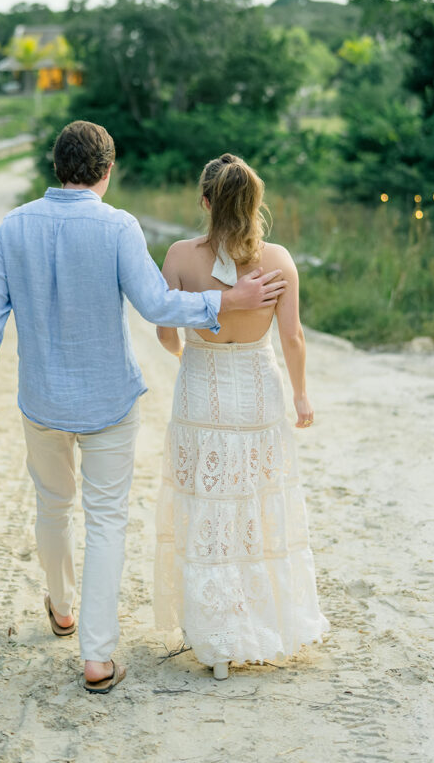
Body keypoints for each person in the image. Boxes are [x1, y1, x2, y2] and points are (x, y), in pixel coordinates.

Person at [0, 122, 287, 694]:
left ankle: (61, 608)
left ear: (56, 167)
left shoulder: (14, 226)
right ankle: (97, 656)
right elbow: (156, 304)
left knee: (52, 506)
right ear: (107, 171)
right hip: (109, 401)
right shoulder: (118, 227)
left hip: (41, 400)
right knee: (106, 520)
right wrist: (227, 299)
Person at [154, 153, 329, 680]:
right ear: (256, 203)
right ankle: (259, 623)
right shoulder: (278, 259)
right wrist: (301, 395)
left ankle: (216, 639)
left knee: (208, 506)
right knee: (253, 503)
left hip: (201, 391)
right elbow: (292, 337)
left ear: (205, 202)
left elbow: (165, 330)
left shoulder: (181, 257)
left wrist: (190, 356)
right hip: (257, 392)